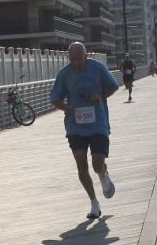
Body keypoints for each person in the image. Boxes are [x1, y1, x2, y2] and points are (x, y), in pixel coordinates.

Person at [50, 42, 119, 220]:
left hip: (98, 123)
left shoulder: (98, 68)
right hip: (75, 126)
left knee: (97, 164)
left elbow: (113, 86)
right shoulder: (64, 74)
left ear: (86, 56)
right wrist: (65, 107)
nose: (76, 63)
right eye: (72, 59)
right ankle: (94, 203)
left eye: (79, 59)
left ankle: (103, 174)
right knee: (81, 163)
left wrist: (101, 96)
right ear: (68, 57)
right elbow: (55, 98)